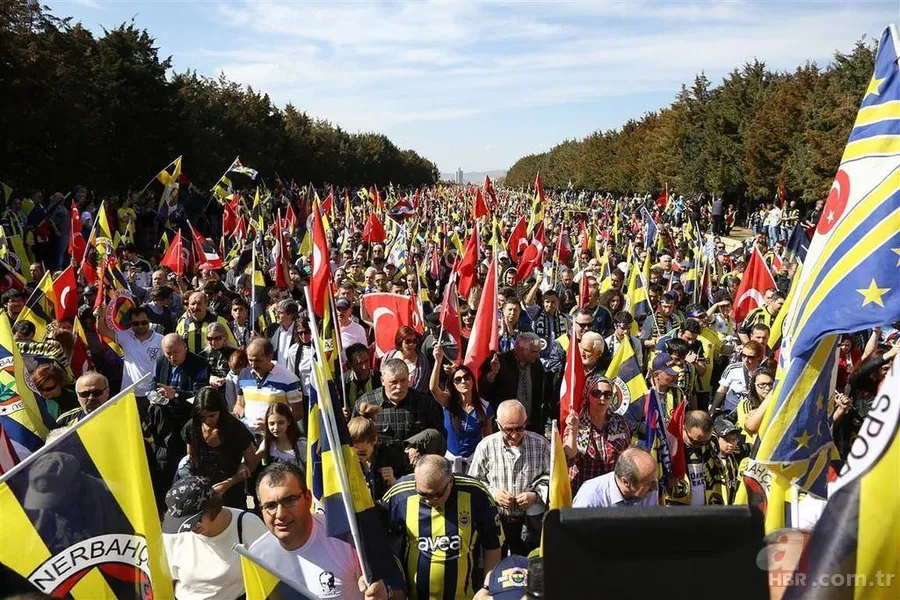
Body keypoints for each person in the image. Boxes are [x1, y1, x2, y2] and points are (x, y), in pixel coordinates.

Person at [249, 462, 395, 599]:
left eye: (290, 500)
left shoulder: (347, 537)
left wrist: (382, 590)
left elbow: (392, 586)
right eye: (270, 506)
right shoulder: (257, 557)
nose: (280, 514)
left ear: (308, 499)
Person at [383, 455, 503, 599]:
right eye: (422, 494)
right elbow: (380, 544)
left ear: (450, 481)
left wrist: (487, 588)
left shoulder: (476, 493)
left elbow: (493, 543)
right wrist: (394, 587)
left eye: (436, 494)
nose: (429, 501)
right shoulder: (399, 494)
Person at [162, 475, 267, 600]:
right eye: (181, 523)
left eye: (193, 521)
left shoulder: (248, 525)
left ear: (212, 508)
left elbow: (269, 576)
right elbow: (166, 579)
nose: (188, 528)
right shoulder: (175, 534)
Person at [468, 400, 550, 556]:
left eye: (519, 428)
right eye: (508, 429)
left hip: (530, 523)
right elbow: (474, 483)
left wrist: (535, 495)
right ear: (498, 425)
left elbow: (553, 478)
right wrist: (493, 494)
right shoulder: (486, 446)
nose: (514, 434)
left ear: (526, 422)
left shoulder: (541, 444)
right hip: (497, 521)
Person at [182, 387, 258, 509]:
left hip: (232, 493)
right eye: (202, 417)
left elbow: (252, 462)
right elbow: (191, 458)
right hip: (203, 493)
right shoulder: (192, 427)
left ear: (221, 411)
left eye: (212, 416)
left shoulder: (235, 428)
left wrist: (229, 482)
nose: (207, 421)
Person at [353, 357, 445, 447]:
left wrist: (419, 449)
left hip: (415, 460)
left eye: (403, 380)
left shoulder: (424, 403)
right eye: (394, 382)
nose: (399, 386)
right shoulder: (366, 404)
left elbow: (439, 437)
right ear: (382, 381)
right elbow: (354, 438)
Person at [563, 375, 631, 495]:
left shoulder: (620, 422)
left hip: (611, 491)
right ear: (588, 395)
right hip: (583, 491)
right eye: (596, 393)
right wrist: (573, 430)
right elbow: (569, 457)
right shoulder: (577, 421)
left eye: (607, 394)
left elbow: (627, 455)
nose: (602, 398)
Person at [430, 345, 494, 472]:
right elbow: (433, 388)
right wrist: (438, 361)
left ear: (472, 380)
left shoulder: (484, 406)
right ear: (453, 385)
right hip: (450, 463)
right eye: (458, 379)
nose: (463, 381)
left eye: (467, 377)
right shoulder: (448, 402)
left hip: (474, 462)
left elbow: (488, 438)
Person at [234, 338, 303, 434]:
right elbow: (240, 404)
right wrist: (236, 415)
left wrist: (271, 424)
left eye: (258, 361)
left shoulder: (289, 379)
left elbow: (298, 413)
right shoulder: (243, 374)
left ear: (269, 357)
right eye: (250, 360)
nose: (253, 365)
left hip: (277, 439)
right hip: (248, 437)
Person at [480, 333, 546, 433]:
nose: (538, 355)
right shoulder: (500, 362)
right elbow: (484, 388)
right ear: (519, 349)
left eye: (538, 351)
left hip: (530, 425)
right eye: (534, 352)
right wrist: (493, 374)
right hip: (507, 425)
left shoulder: (537, 365)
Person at [95, 303, 163, 398]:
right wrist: (101, 316)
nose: (140, 326)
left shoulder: (161, 340)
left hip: (153, 393)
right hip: (130, 394)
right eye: (136, 323)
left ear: (149, 321)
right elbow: (102, 329)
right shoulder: (126, 337)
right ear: (130, 323)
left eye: (143, 322)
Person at [348, 403, 410, 502]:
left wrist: (393, 480)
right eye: (355, 453)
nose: (359, 457)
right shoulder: (346, 460)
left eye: (363, 453)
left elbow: (408, 492)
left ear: (375, 440)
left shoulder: (392, 455)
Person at [665, 411, 727, 506]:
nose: (701, 445)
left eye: (706, 441)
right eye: (695, 442)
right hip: (679, 508)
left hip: (706, 508)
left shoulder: (712, 442)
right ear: (684, 428)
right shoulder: (669, 445)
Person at [572, 447, 659, 508]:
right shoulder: (590, 497)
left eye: (655, 479)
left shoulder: (650, 490)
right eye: (648, 483)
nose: (655, 487)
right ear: (626, 482)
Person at [709, 340, 765, 415]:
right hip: (729, 411)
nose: (746, 360)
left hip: (750, 413)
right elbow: (722, 390)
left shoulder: (763, 374)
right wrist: (712, 409)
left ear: (758, 357)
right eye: (743, 355)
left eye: (750, 357)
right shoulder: (732, 368)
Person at [256, 402, 307, 469]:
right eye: (272, 424)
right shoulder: (268, 443)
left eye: (281, 423)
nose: (276, 427)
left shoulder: (301, 444)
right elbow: (253, 461)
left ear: (288, 421)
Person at [382, 326, 431, 393]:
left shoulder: (422, 363)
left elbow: (422, 390)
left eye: (414, 341)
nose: (412, 344)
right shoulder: (388, 356)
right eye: (408, 341)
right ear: (400, 342)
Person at [202, 321, 237, 392]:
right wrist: (210, 378)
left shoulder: (235, 353)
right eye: (209, 339)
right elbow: (198, 377)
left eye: (217, 338)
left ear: (225, 337)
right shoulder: (203, 355)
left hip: (231, 391)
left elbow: (244, 377)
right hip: (210, 392)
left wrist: (226, 380)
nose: (213, 342)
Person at [343, 343, 381, 407]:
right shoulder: (343, 382)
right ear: (350, 364)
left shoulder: (379, 379)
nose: (364, 367)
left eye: (366, 361)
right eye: (359, 363)